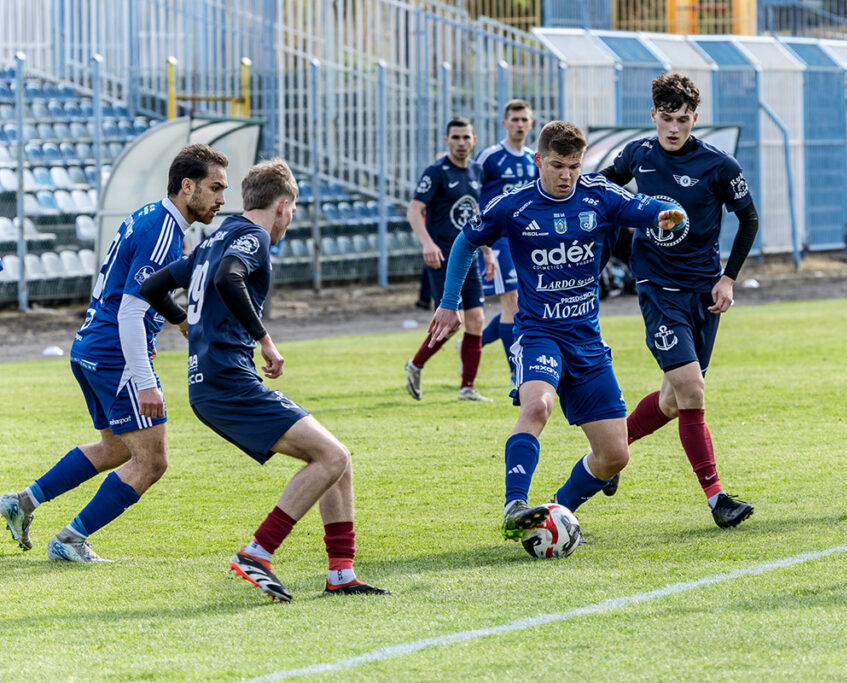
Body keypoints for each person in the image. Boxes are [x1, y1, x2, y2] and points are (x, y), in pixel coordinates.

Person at [140, 159, 388, 601]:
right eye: (292, 211)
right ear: (282, 206)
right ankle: (257, 552)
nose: (289, 220)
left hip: (210, 384)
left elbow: (152, 287)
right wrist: (265, 340)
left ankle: (341, 573)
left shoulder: (214, 240)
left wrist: (182, 322)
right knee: (332, 456)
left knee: (337, 460)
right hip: (227, 381)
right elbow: (227, 278)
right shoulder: (252, 237)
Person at [428, 120, 686, 541]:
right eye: (557, 166)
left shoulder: (599, 195)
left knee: (615, 455)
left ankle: (559, 511)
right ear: (538, 161)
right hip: (538, 334)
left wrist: (668, 215)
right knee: (537, 407)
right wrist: (449, 302)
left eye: (574, 166)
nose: (567, 175)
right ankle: (515, 506)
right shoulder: (515, 205)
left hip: (586, 341)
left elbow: (648, 208)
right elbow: (465, 241)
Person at [0, 144, 228, 561]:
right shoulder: (164, 233)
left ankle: (22, 503)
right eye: (215, 188)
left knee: (117, 448)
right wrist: (144, 379)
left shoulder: (150, 216)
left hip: (90, 344)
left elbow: (140, 291)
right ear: (187, 186)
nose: (222, 199)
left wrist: (177, 320)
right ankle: (70, 540)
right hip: (114, 354)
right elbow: (130, 310)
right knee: (153, 461)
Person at [596, 73, 759, 528]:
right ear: (653, 115)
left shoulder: (719, 166)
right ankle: (717, 500)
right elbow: (601, 188)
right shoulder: (638, 155)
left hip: (704, 294)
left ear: (695, 119)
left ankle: (613, 448)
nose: (674, 128)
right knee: (691, 390)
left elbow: (749, 220)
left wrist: (728, 279)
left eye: (683, 120)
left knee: (672, 401)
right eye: (666, 118)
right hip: (657, 290)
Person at [404, 116, 493, 402]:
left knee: (477, 319)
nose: (461, 142)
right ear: (447, 141)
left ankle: (468, 388)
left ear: (474, 140)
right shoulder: (436, 171)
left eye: (466, 137)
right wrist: (427, 243)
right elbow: (413, 209)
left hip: (470, 255)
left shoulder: (477, 171)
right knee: (451, 321)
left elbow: (476, 213)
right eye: (455, 137)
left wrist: (487, 251)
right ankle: (416, 364)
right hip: (442, 256)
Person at [474, 100, 537, 379]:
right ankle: (516, 372)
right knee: (511, 302)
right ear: (504, 123)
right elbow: (471, 193)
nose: (520, 124)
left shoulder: (533, 158)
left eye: (524, 120)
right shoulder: (490, 157)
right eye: (515, 119)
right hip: (497, 239)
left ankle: (474, 344)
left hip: (525, 239)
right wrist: (482, 240)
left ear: (531, 124)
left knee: (521, 304)